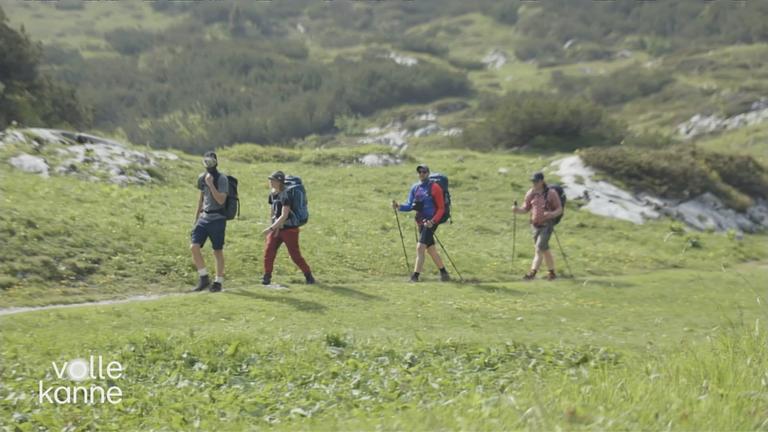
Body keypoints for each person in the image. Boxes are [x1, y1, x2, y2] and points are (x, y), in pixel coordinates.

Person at [392, 164, 450, 283]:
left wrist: (433, 221)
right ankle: (444, 273)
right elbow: (410, 205)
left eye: (424, 172)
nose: (421, 174)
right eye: (419, 172)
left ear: (428, 173)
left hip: (431, 221)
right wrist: (399, 207)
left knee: (420, 247)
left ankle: (415, 277)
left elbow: (441, 208)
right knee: (430, 249)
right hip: (420, 221)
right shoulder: (415, 187)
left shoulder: (435, 188)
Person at [261, 171, 315, 285]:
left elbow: (284, 215)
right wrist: (273, 225)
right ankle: (266, 277)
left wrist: (271, 229)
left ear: (279, 182)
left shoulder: (285, 195)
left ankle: (308, 275)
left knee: (295, 255)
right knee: (269, 251)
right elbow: (272, 211)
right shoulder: (272, 193)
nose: (270, 182)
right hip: (277, 228)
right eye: (270, 180)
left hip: (289, 230)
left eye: (273, 180)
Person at [512, 171, 563, 280]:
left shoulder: (551, 193)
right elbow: (525, 209)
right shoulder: (531, 193)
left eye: (536, 181)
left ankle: (532, 273)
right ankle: (552, 273)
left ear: (542, 181)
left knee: (539, 248)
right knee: (544, 249)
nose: (534, 183)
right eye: (533, 181)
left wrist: (551, 214)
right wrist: (516, 210)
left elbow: (559, 209)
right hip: (535, 226)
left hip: (547, 225)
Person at [191, 151, 229, 292]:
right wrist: (196, 219)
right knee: (194, 247)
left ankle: (218, 282)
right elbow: (201, 199)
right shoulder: (201, 178)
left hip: (218, 219)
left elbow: (221, 200)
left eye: (211, 161)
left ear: (216, 162)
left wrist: (211, 184)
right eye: (206, 161)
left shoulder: (222, 179)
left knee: (217, 251)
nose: (208, 164)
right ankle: (204, 278)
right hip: (204, 218)